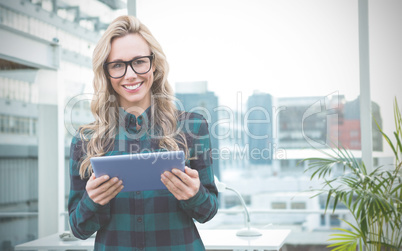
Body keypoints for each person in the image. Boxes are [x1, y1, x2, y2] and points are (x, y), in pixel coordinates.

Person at [68, 15, 218, 251]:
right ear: (106, 73)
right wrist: (92, 201)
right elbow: (78, 229)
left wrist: (194, 194)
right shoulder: (85, 140)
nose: (130, 75)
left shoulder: (193, 127)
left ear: (154, 64)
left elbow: (208, 212)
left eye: (139, 61)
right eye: (117, 65)